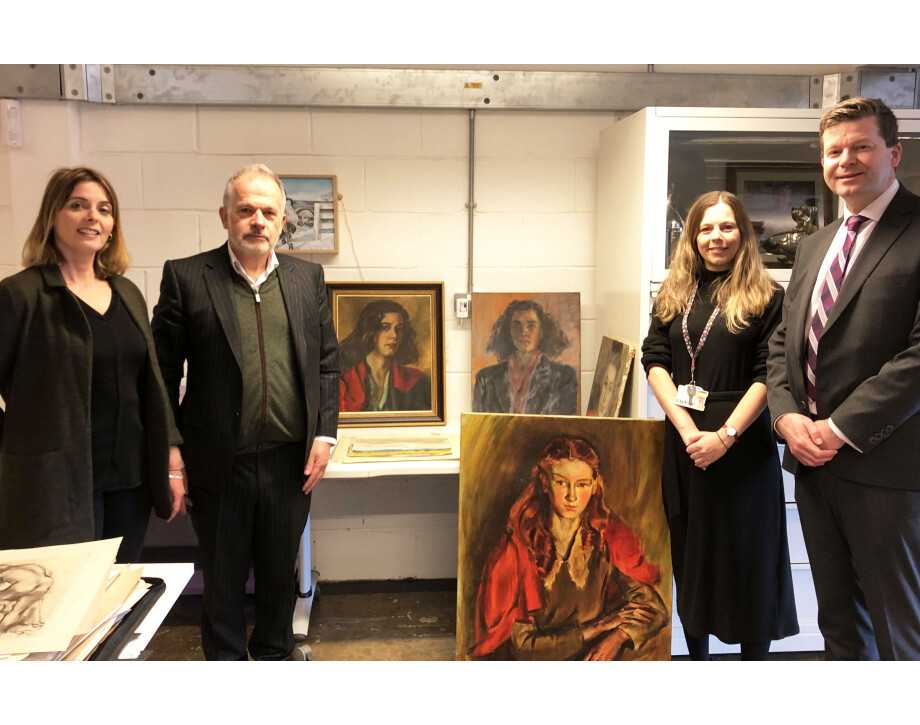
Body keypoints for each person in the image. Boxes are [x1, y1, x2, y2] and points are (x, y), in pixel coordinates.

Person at [151, 163, 340, 660]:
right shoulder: (187, 277)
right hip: (218, 464)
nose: (258, 220)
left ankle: (275, 663)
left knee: (280, 580)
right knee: (224, 584)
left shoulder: (307, 279)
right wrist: (171, 456)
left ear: (282, 222)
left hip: (288, 463)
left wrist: (325, 436)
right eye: (246, 210)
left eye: (268, 212)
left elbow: (326, 365)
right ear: (225, 216)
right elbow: (160, 376)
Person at [766, 97, 920, 660]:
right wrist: (786, 418)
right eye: (835, 150)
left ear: (894, 153)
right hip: (813, 467)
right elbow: (783, 343)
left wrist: (837, 429)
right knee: (839, 625)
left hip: (887, 467)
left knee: (899, 628)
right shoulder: (813, 246)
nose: (845, 160)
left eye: (861, 146)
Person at [642, 190, 798, 660]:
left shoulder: (768, 296)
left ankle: (752, 668)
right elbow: (655, 360)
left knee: (748, 560)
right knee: (692, 559)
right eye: (706, 228)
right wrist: (689, 431)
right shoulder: (675, 291)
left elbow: (769, 373)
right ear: (692, 235)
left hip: (742, 444)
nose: (716, 237)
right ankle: (699, 664)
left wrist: (725, 437)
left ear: (743, 232)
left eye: (727, 227)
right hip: (686, 442)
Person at [0, 167, 184, 562]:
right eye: (77, 206)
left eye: (104, 209)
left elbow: (151, 384)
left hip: (130, 484)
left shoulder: (127, 292)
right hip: (56, 488)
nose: (92, 217)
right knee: (66, 605)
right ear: (52, 216)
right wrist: (14, 448)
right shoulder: (21, 295)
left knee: (116, 596)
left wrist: (171, 462)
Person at [470, 436, 667, 660]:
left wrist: (617, 638)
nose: (571, 496)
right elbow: (523, 647)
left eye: (582, 484)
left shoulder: (605, 541)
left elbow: (655, 610)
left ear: (594, 486)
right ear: (544, 483)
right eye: (562, 482)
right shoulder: (517, 550)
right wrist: (600, 627)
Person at [473, 299, 578, 415]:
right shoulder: (485, 379)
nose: (523, 332)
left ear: (542, 331)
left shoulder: (563, 378)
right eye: (516, 325)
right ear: (508, 331)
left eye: (531, 325)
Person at [338, 298, 431, 412]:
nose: (394, 335)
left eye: (399, 329)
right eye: (385, 327)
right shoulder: (345, 380)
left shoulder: (416, 382)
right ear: (370, 331)